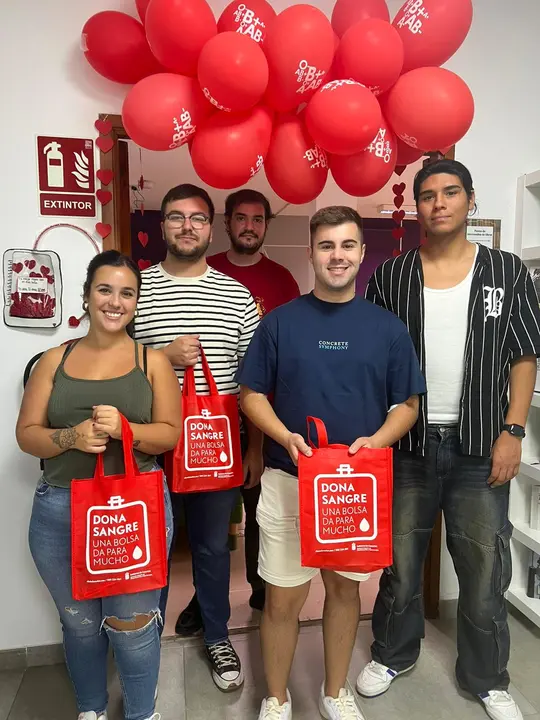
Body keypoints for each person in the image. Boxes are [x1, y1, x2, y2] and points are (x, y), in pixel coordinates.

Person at [358, 159, 540, 720]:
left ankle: (487, 677)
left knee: (484, 568)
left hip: (481, 444)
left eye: (450, 192)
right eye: (428, 195)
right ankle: (392, 653)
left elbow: (524, 356)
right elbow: (375, 359)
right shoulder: (391, 276)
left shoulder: (506, 272)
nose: (438, 203)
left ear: (469, 199)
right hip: (408, 445)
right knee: (402, 562)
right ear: (416, 206)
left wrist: (513, 431)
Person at [236, 206, 426, 720]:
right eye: (326, 246)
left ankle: (334, 692)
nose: (337, 256)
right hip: (287, 478)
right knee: (282, 597)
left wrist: (377, 442)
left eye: (347, 246)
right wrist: (284, 435)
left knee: (344, 590)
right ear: (311, 254)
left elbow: (407, 405)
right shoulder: (280, 323)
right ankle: (276, 698)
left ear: (362, 253)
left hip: (353, 486)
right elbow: (250, 394)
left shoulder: (387, 328)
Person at [16, 250, 182, 720]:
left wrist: (127, 429)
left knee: (129, 625)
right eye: (104, 290)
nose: (115, 301)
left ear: (136, 302)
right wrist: (71, 437)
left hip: (132, 511)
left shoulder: (152, 362)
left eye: (126, 292)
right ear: (87, 296)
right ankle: (90, 709)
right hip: (60, 511)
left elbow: (169, 432)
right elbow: (26, 435)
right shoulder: (53, 359)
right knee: (80, 623)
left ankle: (140, 712)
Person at [133, 183, 261, 692]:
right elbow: (111, 364)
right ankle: (145, 640)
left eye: (198, 218)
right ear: (161, 225)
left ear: (213, 227)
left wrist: (252, 448)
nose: (188, 226)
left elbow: (253, 382)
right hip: (148, 444)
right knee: (153, 546)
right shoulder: (136, 288)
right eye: (176, 217)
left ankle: (217, 635)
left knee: (211, 549)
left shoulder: (238, 295)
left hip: (217, 445)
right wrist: (161, 356)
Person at [173, 189, 300, 633]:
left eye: (258, 219)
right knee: (209, 528)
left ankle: (264, 594)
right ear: (224, 224)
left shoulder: (282, 279)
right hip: (193, 423)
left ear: (266, 225)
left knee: (261, 514)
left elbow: (284, 355)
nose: (249, 226)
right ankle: (202, 602)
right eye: (241, 218)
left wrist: (262, 439)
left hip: (258, 419)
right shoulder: (209, 268)